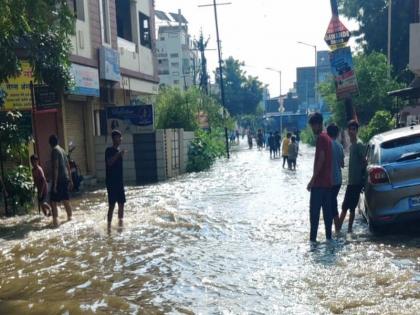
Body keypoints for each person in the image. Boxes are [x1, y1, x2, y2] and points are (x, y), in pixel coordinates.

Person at [307, 113, 333, 242]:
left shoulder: (321, 139)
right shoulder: (328, 138)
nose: (312, 129)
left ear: (317, 124)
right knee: (328, 217)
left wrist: (312, 180)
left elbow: (321, 159)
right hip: (328, 184)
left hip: (319, 185)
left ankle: (313, 245)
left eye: (312, 126)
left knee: (314, 217)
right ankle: (329, 240)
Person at [338, 120, 367, 233]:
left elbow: (364, 161)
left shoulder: (359, 144)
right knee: (345, 206)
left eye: (353, 129)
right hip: (351, 182)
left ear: (356, 130)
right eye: (350, 129)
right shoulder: (352, 145)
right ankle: (341, 229)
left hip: (356, 182)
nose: (351, 131)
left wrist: (362, 178)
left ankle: (347, 230)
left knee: (351, 208)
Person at [49, 135, 73, 226]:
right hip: (65, 178)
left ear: (50, 143)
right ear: (57, 141)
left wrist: (54, 185)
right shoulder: (62, 150)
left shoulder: (54, 150)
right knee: (65, 199)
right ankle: (70, 218)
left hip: (59, 179)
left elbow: (55, 167)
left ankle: (55, 222)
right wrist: (70, 180)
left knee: (53, 201)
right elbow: (68, 166)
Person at [106, 130, 126, 228]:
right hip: (111, 183)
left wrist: (119, 154)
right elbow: (109, 163)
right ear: (114, 138)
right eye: (119, 137)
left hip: (119, 182)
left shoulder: (118, 151)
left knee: (121, 204)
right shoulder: (109, 150)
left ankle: (120, 225)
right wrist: (118, 155)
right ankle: (108, 227)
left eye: (121, 137)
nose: (120, 139)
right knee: (112, 205)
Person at [327, 124, 344, 233]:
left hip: (328, 181)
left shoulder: (326, 144)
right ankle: (337, 228)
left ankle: (336, 228)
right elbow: (342, 164)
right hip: (338, 180)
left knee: (330, 204)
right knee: (333, 202)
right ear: (337, 134)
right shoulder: (340, 146)